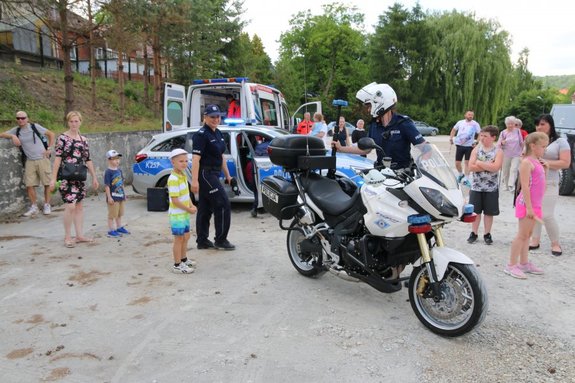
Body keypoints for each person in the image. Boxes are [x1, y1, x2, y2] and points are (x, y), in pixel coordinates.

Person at [336, 82, 425, 172]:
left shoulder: (403, 123)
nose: (369, 109)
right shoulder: (374, 125)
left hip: (403, 176)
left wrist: (421, 169)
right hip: (381, 174)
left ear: (379, 103)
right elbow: (365, 149)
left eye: (370, 105)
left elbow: (425, 149)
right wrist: (341, 148)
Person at [49, 111, 98, 248]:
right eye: (71, 121)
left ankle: (79, 235)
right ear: (68, 122)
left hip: (79, 177)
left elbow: (88, 160)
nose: (74, 124)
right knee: (70, 206)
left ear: (80, 122)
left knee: (79, 207)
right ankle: (67, 237)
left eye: (76, 121)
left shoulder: (83, 140)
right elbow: (57, 160)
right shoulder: (62, 138)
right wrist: (53, 179)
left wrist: (94, 177)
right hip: (65, 177)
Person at [191, 104, 236, 250]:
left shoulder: (218, 133)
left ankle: (202, 240)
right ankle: (221, 240)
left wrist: (228, 175)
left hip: (215, 173)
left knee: (205, 207)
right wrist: (194, 180)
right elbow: (196, 159)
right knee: (223, 203)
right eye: (212, 117)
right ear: (205, 117)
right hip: (205, 174)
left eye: (218, 116)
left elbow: (221, 156)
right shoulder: (201, 135)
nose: (216, 119)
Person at [505, 132, 549, 279]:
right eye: (543, 147)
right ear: (533, 146)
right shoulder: (526, 163)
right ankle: (511, 265)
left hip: (536, 204)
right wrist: (529, 208)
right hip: (526, 204)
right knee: (522, 235)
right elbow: (524, 187)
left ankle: (524, 263)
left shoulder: (538, 162)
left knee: (528, 235)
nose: (545, 149)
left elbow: (542, 186)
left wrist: (546, 169)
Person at [529, 114, 571, 256]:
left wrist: (547, 163)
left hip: (550, 182)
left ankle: (555, 243)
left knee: (547, 214)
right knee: (535, 212)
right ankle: (535, 240)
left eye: (542, 124)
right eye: (537, 124)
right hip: (533, 181)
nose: (539, 127)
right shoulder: (534, 140)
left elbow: (566, 163)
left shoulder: (560, 142)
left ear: (550, 125)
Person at [0, 111, 55, 216]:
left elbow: (51, 134)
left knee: (47, 183)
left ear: (27, 118)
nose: (20, 120)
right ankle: (34, 206)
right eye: (18, 118)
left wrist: (49, 148)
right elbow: (1, 134)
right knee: (29, 185)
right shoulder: (16, 130)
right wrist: (13, 137)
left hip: (42, 159)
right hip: (30, 160)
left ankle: (47, 205)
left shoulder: (34, 127)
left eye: (23, 118)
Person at [467, 125, 503, 245]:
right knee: (475, 211)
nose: (482, 138)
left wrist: (478, 162)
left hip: (491, 187)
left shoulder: (498, 151)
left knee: (489, 212)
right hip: (476, 186)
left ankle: (487, 233)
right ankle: (474, 233)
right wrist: (486, 164)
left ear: (493, 137)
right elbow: (470, 167)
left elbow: (496, 167)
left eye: (485, 136)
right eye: (481, 135)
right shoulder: (476, 149)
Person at [168, 148, 198, 274]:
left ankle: (184, 259)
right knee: (179, 239)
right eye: (181, 161)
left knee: (186, 236)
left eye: (186, 161)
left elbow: (186, 195)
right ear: (173, 162)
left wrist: (192, 205)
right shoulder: (173, 179)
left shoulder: (183, 175)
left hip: (184, 213)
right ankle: (177, 264)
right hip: (177, 215)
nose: (184, 163)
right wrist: (188, 209)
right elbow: (175, 200)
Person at [449, 110, 481, 184]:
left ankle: (466, 179)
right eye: (469, 114)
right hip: (459, 145)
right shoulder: (460, 122)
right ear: (465, 115)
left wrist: (477, 141)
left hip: (469, 146)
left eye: (472, 115)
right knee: (457, 163)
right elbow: (454, 130)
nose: (470, 116)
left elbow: (480, 133)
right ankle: (460, 174)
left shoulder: (475, 124)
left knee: (467, 163)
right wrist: (451, 138)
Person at [104, 149, 129, 238]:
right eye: (114, 159)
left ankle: (119, 227)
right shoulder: (108, 172)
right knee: (112, 214)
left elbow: (121, 183)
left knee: (119, 213)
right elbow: (107, 186)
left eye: (118, 158)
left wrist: (124, 194)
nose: (117, 161)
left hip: (120, 195)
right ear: (109, 160)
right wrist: (109, 197)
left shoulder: (119, 170)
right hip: (113, 197)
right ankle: (111, 230)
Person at [497, 116, 524, 191]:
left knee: (514, 169)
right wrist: (502, 143)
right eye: (509, 124)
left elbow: (521, 142)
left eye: (512, 123)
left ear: (514, 124)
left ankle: (511, 184)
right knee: (505, 171)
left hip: (516, 154)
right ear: (506, 124)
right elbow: (498, 144)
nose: (510, 125)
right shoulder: (503, 133)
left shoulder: (518, 131)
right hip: (506, 154)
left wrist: (523, 151)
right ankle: (506, 186)